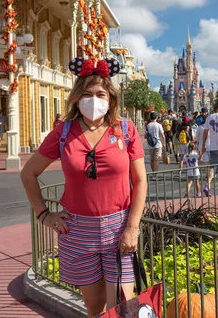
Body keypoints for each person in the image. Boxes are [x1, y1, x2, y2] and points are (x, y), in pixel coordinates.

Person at [20, 57, 147, 316]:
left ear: (111, 97)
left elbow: (141, 180)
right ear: (77, 98)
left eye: (101, 93)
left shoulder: (125, 129)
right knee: (94, 306)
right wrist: (44, 214)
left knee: (121, 305)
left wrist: (132, 228)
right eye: (87, 94)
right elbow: (28, 173)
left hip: (119, 228)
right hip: (77, 230)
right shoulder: (63, 132)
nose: (94, 99)